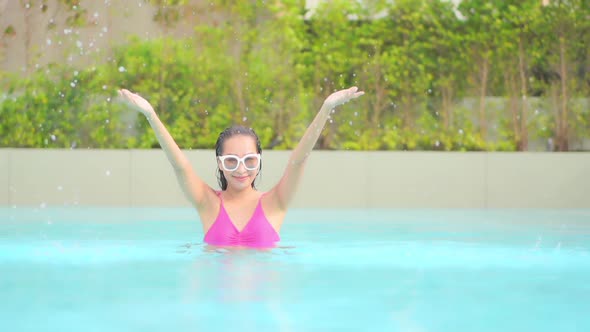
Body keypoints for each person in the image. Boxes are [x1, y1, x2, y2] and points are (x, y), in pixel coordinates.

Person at [118, 86, 364, 248]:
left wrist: (326, 108)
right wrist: (149, 113)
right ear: (220, 164)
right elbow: (180, 166)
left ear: (259, 161)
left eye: (249, 160)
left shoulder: (276, 202)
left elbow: (298, 160)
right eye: (231, 161)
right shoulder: (207, 203)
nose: (241, 169)